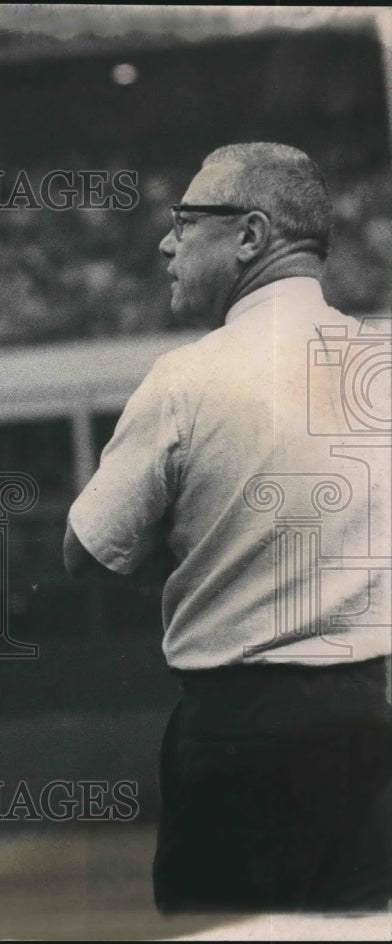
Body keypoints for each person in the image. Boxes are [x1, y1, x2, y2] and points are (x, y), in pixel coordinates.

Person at [64, 143, 391, 914]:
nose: (166, 241)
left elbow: (84, 553)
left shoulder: (187, 378)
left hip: (239, 731)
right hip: (373, 721)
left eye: (186, 220)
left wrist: (195, 552)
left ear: (249, 236)